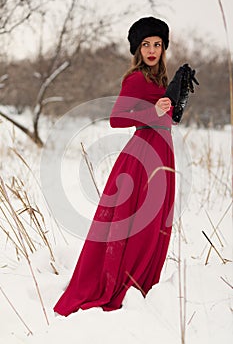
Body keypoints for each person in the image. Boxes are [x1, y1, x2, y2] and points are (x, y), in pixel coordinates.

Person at [54, 16, 176, 316]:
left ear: (163, 48)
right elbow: (117, 117)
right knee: (138, 224)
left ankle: (142, 281)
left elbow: (168, 120)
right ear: (137, 49)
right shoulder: (135, 78)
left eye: (157, 45)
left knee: (154, 223)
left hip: (163, 152)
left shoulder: (160, 79)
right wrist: (154, 109)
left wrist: (174, 102)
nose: (151, 50)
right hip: (144, 156)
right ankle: (121, 281)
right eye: (145, 44)